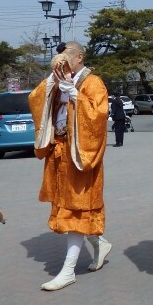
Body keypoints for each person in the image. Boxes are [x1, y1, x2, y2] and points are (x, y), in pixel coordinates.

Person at [29, 41, 113, 291]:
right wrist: (53, 83)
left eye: (67, 58)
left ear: (79, 58)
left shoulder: (93, 82)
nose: (63, 63)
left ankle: (68, 270)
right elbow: (35, 99)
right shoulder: (58, 81)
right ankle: (99, 244)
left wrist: (75, 93)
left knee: (75, 209)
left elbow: (98, 115)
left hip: (81, 154)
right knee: (69, 205)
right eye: (60, 59)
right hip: (60, 150)